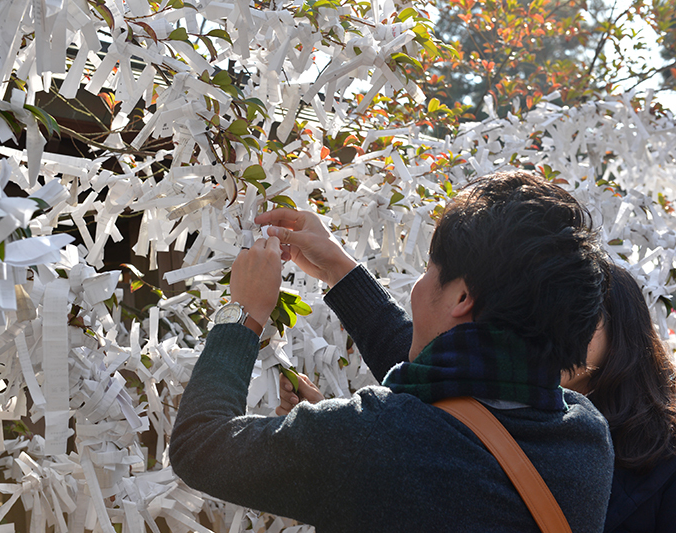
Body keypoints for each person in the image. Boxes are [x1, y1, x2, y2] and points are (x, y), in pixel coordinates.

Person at [170, 170, 614, 532]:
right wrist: (341, 271)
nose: (418, 286)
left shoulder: (374, 442)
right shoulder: (584, 436)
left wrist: (243, 314)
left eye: (429, 270)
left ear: (462, 297)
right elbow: (448, 394)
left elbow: (199, 447)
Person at [561, 263, 676, 532]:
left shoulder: (665, 455)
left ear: (621, 328)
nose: (555, 334)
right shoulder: (524, 423)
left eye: (578, 316)